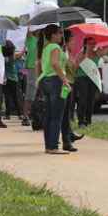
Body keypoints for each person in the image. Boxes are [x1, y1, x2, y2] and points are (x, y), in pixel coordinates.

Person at [38, 25, 72, 154]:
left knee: (49, 115)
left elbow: (41, 64)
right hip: (55, 81)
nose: (60, 35)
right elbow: (55, 64)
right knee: (57, 116)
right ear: (52, 35)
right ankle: (53, 146)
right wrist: (65, 80)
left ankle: (49, 145)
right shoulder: (55, 47)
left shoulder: (46, 47)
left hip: (45, 80)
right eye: (58, 33)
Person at [75, 37, 102, 127]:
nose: (92, 45)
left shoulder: (97, 53)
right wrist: (83, 56)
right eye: (90, 43)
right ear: (85, 44)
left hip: (93, 78)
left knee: (91, 100)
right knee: (83, 99)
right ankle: (81, 121)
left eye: (94, 43)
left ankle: (88, 120)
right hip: (81, 77)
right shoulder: (80, 54)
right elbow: (75, 67)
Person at [22, 30, 39, 127]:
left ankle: (33, 114)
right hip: (31, 68)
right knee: (30, 93)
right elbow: (27, 30)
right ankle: (25, 116)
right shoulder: (31, 39)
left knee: (37, 94)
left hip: (40, 68)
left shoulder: (43, 41)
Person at [3, 40, 20, 120]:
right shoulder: (12, 57)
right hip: (14, 78)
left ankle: (7, 114)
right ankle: (20, 114)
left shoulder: (3, 58)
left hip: (6, 79)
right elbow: (18, 55)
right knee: (15, 97)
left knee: (7, 97)